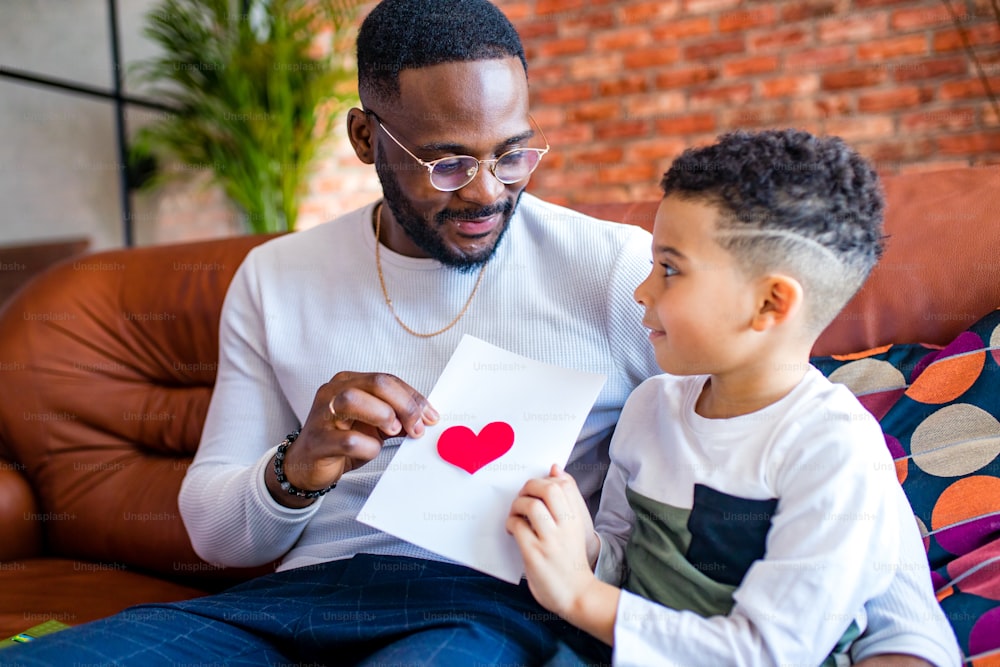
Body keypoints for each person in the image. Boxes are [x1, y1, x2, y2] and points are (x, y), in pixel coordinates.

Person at [6, 2, 954, 665]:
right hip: (294, 599)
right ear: (365, 138)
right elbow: (214, 533)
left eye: (513, 153)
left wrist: (906, 639)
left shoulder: (621, 270)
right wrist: (302, 462)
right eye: (450, 163)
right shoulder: (276, 279)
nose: (492, 190)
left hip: (489, 600)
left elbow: (806, 439)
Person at [506, 129, 961, 666]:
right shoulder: (650, 407)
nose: (642, 290)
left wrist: (579, 596)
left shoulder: (832, 448)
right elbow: (625, 565)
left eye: (670, 269)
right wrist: (584, 550)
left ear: (770, 302)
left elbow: (767, 652)